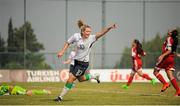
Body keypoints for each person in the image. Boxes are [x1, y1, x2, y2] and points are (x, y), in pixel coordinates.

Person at [54, 20, 116, 102]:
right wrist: (62, 51)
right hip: (76, 62)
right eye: (87, 31)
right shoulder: (76, 36)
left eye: (90, 31)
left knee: (70, 79)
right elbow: (68, 42)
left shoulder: (92, 38)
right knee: (81, 79)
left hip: (83, 64)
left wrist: (110, 28)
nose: (89, 33)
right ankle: (94, 76)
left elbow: (101, 33)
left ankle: (60, 97)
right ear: (82, 32)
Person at [153, 29, 180, 96]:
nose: (168, 30)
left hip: (166, 58)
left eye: (170, 31)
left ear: (171, 33)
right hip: (171, 58)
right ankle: (178, 90)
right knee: (170, 75)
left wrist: (162, 56)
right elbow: (172, 51)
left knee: (155, 71)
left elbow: (169, 50)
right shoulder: (173, 39)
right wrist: (177, 54)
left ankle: (165, 83)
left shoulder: (169, 38)